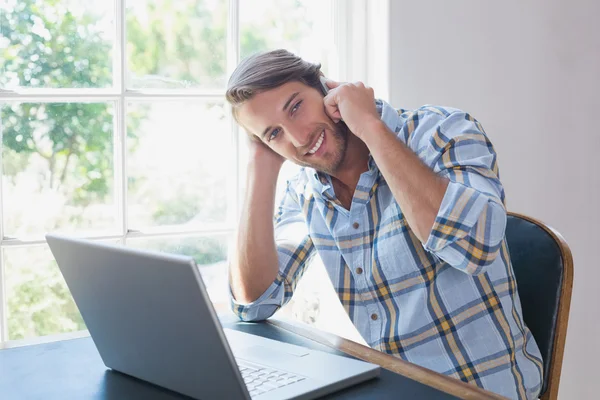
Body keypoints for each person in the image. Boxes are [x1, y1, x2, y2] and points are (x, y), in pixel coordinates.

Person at [225, 49, 543, 400]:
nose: (298, 139)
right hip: (394, 390)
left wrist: (370, 127)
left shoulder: (441, 131)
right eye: (274, 133)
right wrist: (260, 165)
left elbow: (474, 248)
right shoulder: (305, 192)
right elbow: (253, 303)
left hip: (481, 392)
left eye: (296, 106)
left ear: (325, 88)